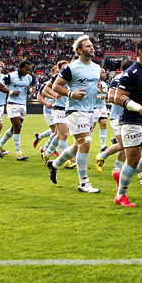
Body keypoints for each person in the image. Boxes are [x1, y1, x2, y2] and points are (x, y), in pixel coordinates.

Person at [47, 35, 102, 193]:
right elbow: (57, 86)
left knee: (78, 146)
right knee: (85, 143)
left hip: (90, 111)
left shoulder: (97, 68)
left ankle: (55, 164)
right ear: (79, 50)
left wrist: (100, 91)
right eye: (87, 46)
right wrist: (71, 94)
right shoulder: (71, 67)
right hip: (75, 110)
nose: (92, 48)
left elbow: (90, 87)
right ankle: (83, 183)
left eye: (92, 45)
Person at [112, 39, 142, 206]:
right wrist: (139, 108)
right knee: (133, 159)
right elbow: (118, 98)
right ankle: (120, 196)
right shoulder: (131, 73)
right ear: (140, 52)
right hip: (132, 121)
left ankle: (124, 173)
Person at [95, 59, 133, 177]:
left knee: (126, 145)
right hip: (118, 117)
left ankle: (116, 169)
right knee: (123, 144)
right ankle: (102, 156)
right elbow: (111, 97)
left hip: (129, 116)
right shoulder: (118, 79)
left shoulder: (132, 79)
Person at [0, 59, 34, 161]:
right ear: (21, 68)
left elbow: (30, 91)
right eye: (26, 70)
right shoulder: (10, 76)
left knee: (15, 128)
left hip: (23, 105)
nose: (27, 72)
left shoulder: (29, 78)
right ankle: (19, 153)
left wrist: (30, 90)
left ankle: (0, 145)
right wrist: (11, 92)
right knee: (18, 126)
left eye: (29, 70)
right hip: (13, 104)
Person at [94, 69, 110, 150]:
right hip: (94, 107)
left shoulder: (104, 83)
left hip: (102, 106)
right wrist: (99, 96)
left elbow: (106, 95)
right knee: (91, 127)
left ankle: (103, 146)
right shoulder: (93, 83)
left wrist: (105, 94)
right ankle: (85, 143)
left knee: (103, 125)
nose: (105, 74)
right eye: (103, 72)